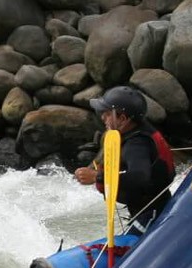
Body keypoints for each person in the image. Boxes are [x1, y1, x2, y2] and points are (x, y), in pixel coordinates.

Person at [72, 86, 176, 231]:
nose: (103, 118)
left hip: (151, 213)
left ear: (122, 118)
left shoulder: (137, 144)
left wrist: (97, 176)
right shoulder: (135, 131)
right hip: (151, 207)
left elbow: (140, 176)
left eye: (107, 114)